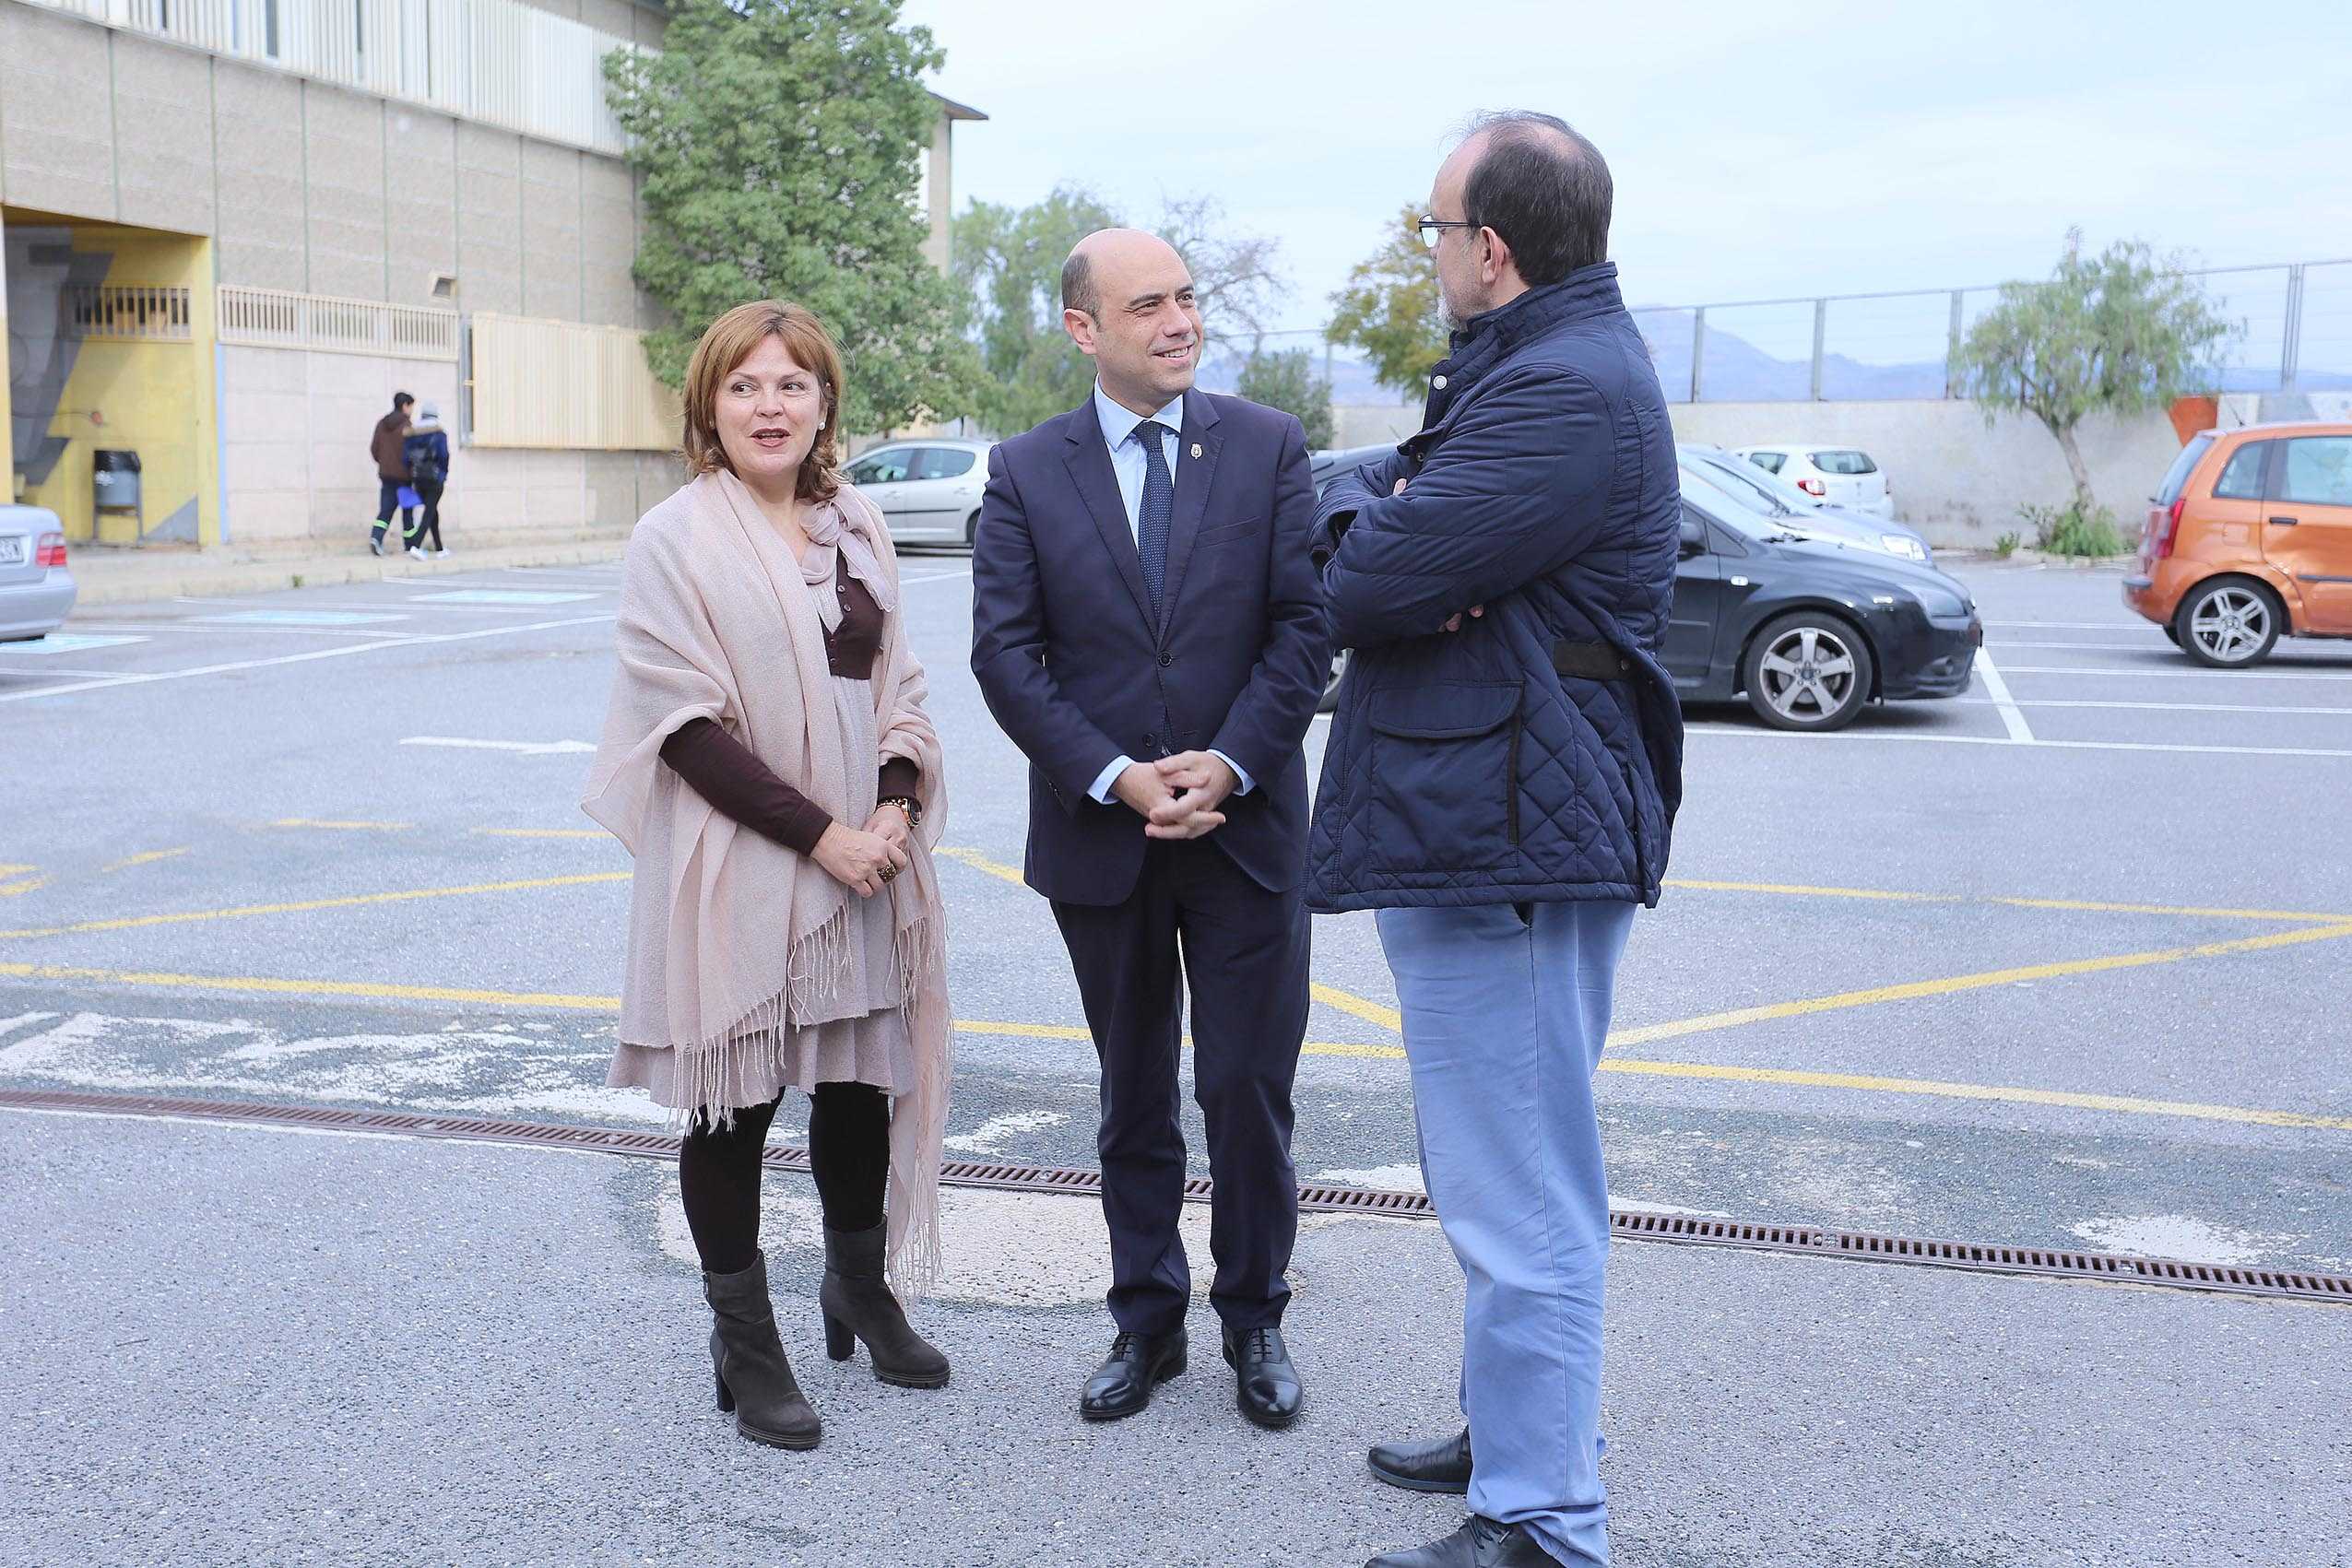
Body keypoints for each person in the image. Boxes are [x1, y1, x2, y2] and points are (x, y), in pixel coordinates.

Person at [1310, 114, 1684, 1568]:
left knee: (1519, 1184)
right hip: (1502, 815)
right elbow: (1391, 527)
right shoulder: (1541, 371)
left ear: (1493, 247)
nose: (1429, 254)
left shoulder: (1558, 395)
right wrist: (1392, 517)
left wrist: (1394, 538)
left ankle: (1542, 1516)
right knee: (1500, 1164)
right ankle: (1518, 1431)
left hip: (1515, 831)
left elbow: (1368, 581)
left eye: (1433, 229)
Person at [970, 229, 1329, 1431]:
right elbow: (1005, 658)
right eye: (1146, 307)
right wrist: (1120, 776)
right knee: (1131, 1092)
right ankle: (1144, 1323)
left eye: (1184, 299)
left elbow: (1301, 631)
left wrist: (1226, 760)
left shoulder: (1268, 446)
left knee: (1243, 1088)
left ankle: (1253, 1318)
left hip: (1245, 825)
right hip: (1103, 839)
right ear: (1084, 330)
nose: (1178, 322)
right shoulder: (1024, 471)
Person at [583, 301, 953, 1453]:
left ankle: (859, 1287)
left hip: (864, 851)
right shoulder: (675, 537)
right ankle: (745, 1344)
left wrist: (891, 808)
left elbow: (900, 686)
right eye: (744, 386)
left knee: (854, 1082)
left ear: (825, 402)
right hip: (745, 855)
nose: (770, 405)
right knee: (734, 1104)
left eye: (792, 384)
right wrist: (823, 836)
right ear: (708, 407)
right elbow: (679, 728)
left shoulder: (858, 524)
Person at [401, 403, 451, 560]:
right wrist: (443, 474)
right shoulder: (439, 433)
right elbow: (444, 456)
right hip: (434, 478)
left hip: (418, 478)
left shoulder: (412, 433)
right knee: (429, 512)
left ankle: (440, 548)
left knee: (432, 510)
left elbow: (405, 458)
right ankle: (415, 545)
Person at [368, 392, 414, 556]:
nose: (411, 411)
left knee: (385, 510)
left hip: (386, 475)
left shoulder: (382, 423)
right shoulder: (407, 425)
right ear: (405, 406)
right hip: (404, 477)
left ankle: (376, 538)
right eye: (411, 407)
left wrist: (385, 464)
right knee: (407, 511)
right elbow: (412, 452)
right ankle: (410, 546)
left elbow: (374, 449)